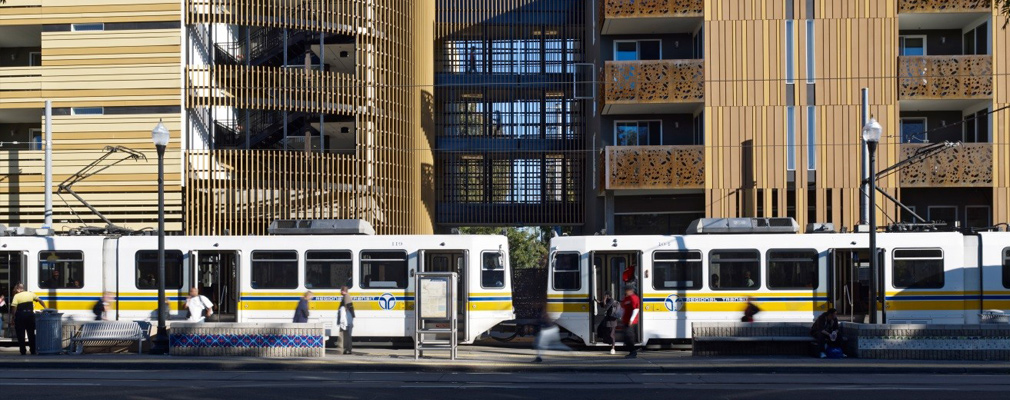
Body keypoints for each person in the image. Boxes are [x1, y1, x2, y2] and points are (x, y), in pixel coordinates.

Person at [10, 283, 46, 355]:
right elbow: (40, 301)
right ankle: (32, 350)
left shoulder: (16, 296)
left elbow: (14, 308)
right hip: (30, 315)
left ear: (18, 289)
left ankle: (23, 351)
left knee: (21, 335)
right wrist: (45, 309)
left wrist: (13, 317)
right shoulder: (31, 294)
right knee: (31, 334)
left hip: (20, 316)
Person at [620, 286, 641, 358]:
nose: (626, 292)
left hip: (631, 322)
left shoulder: (633, 297)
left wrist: (631, 320)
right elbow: (623, 308)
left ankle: (633, 352)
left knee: (629, 337)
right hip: (626, 320)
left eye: (627, 290)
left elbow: (636, 309)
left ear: (630, 290)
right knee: (626, 337)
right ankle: (631, 351)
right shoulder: (626, 298)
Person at [337, 286, 355, 354]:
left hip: (347, 320)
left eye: (341, 290)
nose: (340, 292)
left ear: (343, 291)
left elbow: (348, 308)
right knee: (346, 335)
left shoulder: (346, 297)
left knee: (347, 335)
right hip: (347, 319)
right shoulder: (346, 296)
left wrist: (345, 319)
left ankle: (347, 349)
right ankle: (346, 349)